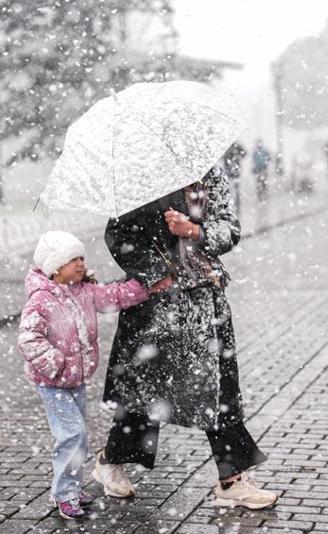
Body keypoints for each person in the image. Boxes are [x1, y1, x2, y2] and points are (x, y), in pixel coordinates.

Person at [91, 166, 278, 510]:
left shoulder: (211, 174)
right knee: (145, 391)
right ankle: (110, 460)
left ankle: (232, 479)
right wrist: (154, 273)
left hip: (207, 299)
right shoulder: (140, 175)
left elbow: (229, 227)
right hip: (158, 305)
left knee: (220, 391)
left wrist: (194, 230)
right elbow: (117, 235)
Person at [16, 231, 171, 519]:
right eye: (72, 259)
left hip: (75, 379)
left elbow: (114, 296)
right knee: (72, 435)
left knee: (77, 435)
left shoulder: (84, 291)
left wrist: (146, 287)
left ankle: (70, 488)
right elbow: (28, 340)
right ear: (55, 267)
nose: (80, 263)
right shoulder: (40, 300)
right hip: (54, 382)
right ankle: (64, 494)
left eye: (81, 258)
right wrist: (57, 364)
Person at [221, 142, 245, 214]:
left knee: (235, 187)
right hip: (229, 170)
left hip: (234, 170)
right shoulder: (227, 146)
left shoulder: (236, 146)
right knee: (229, 187)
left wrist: (238, 155)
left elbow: (244, 153)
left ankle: (236, 201)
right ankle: (231, 201)